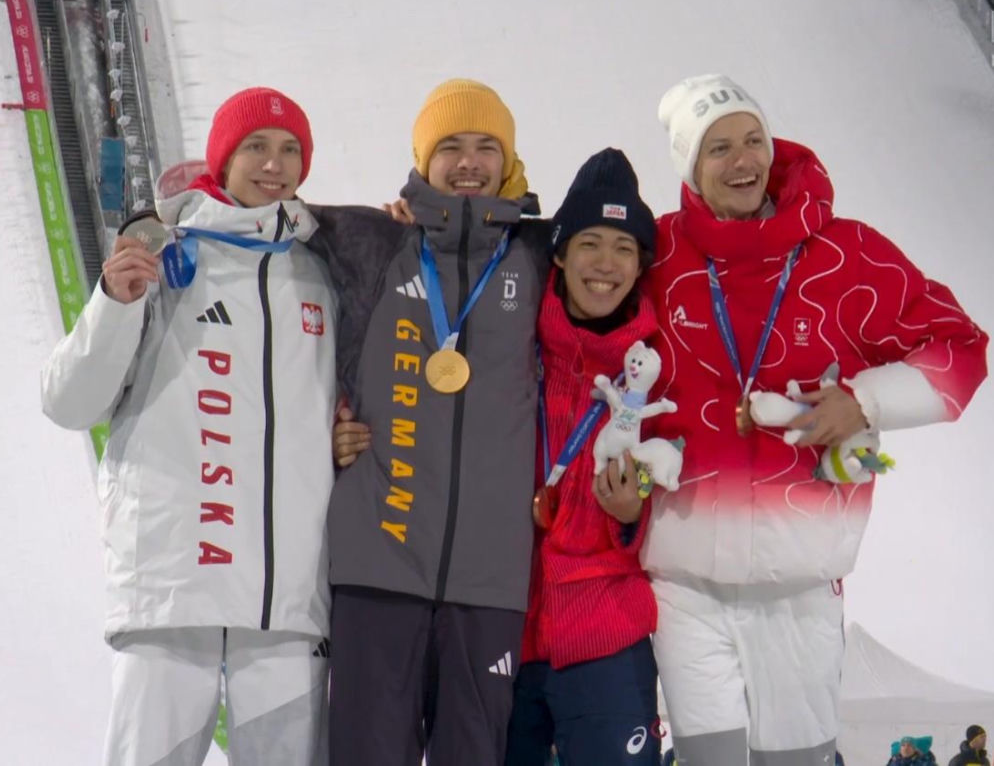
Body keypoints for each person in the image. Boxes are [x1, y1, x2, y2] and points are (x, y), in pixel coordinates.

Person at [642, 74, 988, 765]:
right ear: (689, 165)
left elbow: (962, 351)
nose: (742, 161)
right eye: (718, 148)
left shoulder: (846, 253)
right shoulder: (657, 256)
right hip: (683, 586)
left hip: (798, 586)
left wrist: (865, 400)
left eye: (753, 140)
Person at [41, 87, 336, 765]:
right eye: (256, 146)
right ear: (223, 157)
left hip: (286, 603)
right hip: (174, 592)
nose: (274, 164)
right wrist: (114, 304)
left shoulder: (324, 269)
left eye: (290, 149)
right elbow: (68, 403)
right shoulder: (159, 257)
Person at [307, 78, 549, 766]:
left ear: (508, 160)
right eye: (450, 147)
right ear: (423, 159)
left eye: (486, 146)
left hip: (491, 579)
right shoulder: (370, 240)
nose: (468, 162)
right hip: (377, 565)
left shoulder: (541, 254)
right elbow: (254, 214)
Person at [503, 149, 662, 766]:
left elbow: (678, 479)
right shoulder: (511, 345)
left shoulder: (656, 369)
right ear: (560, 254)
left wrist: (631, 515)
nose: (605, 263)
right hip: (504, 624)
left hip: (606, 631)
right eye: (589, 243)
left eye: (624, 248)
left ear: (640, 266)